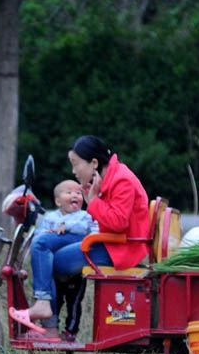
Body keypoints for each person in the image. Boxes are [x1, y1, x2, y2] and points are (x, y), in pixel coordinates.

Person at [9, 135, 150, 333]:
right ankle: (47, 319)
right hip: (110, 242)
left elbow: (118, 223)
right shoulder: (113, 176)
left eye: (76, 165)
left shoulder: (122, 180)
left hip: (118, 248)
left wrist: (92, 201)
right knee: (42, 243)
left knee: (51, 260)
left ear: (94, 163)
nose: (74, 172)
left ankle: (47, 320)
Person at [30, 180, 97, 339]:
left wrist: (67, 227)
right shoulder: (51, 217)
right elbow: (40, 234)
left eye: (78, 193)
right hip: (54, 269)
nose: (75, 195)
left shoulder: (84, 215)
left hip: (74, 270)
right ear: (58, 201)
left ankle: (71, 332)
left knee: (74, 302)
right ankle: (51, 329)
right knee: (56, 299)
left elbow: (85, 228)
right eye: (69, 192)